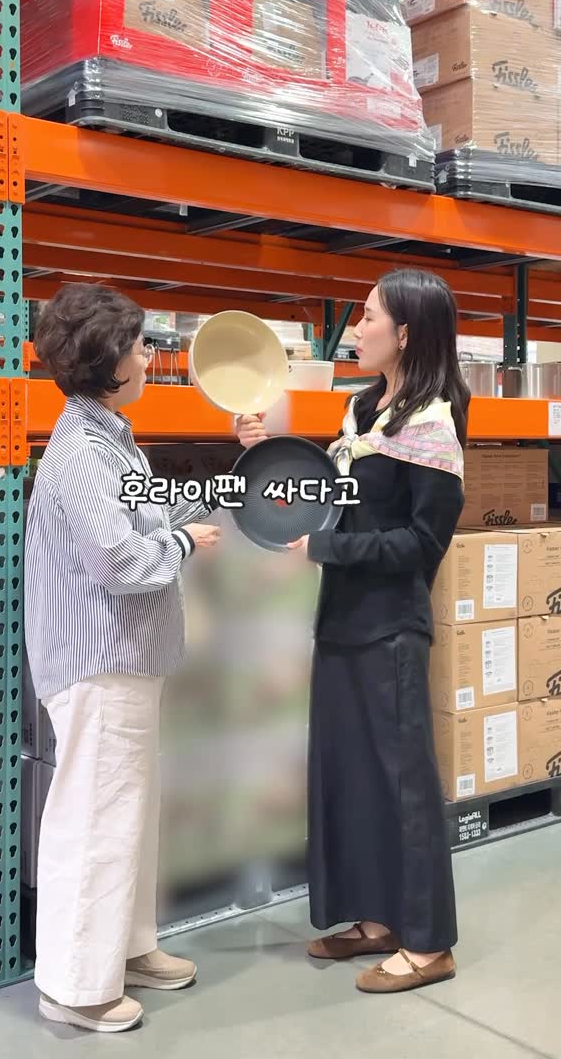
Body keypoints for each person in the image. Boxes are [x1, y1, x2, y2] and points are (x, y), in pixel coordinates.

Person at [236, 268, 470, 994]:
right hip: (340, 619)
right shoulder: (362, 411)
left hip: (391, 629)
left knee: (403, 786)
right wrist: (263, 450)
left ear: (405, 333)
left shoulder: (433, 423)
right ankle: (375, 919)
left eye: (368, 317)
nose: (356, 330)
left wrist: (329, 549)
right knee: (351, 776)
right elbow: (331, 500)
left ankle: (428, 944)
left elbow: (421, 544)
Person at [24, 283, 221, 1033]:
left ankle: (126, 950)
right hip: (97, 662)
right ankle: (75, 986)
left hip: (127, 659)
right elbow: (117, 560)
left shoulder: (112, 440)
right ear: (110, 361)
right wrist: (182, 545)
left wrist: (237, 474)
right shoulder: (81, 451)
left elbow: (156, 509)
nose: (149, 357)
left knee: (126, 814)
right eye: (140, 346)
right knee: (95, 818)